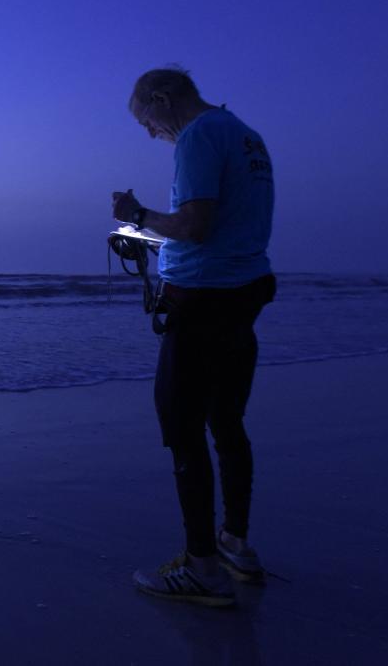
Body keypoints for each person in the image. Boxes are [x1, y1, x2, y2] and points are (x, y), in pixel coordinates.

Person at [111, 66, 276, 607]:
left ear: (162, 98)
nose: (149, 131)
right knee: (227, 420)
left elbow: (194, 224)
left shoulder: (199, 135)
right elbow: (222, 227)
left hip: (203, 300)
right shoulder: (243, 134)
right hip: (241, 291)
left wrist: (136, 215)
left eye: (146, 118)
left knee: (181, 426)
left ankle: (202, 568)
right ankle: (235, 543)